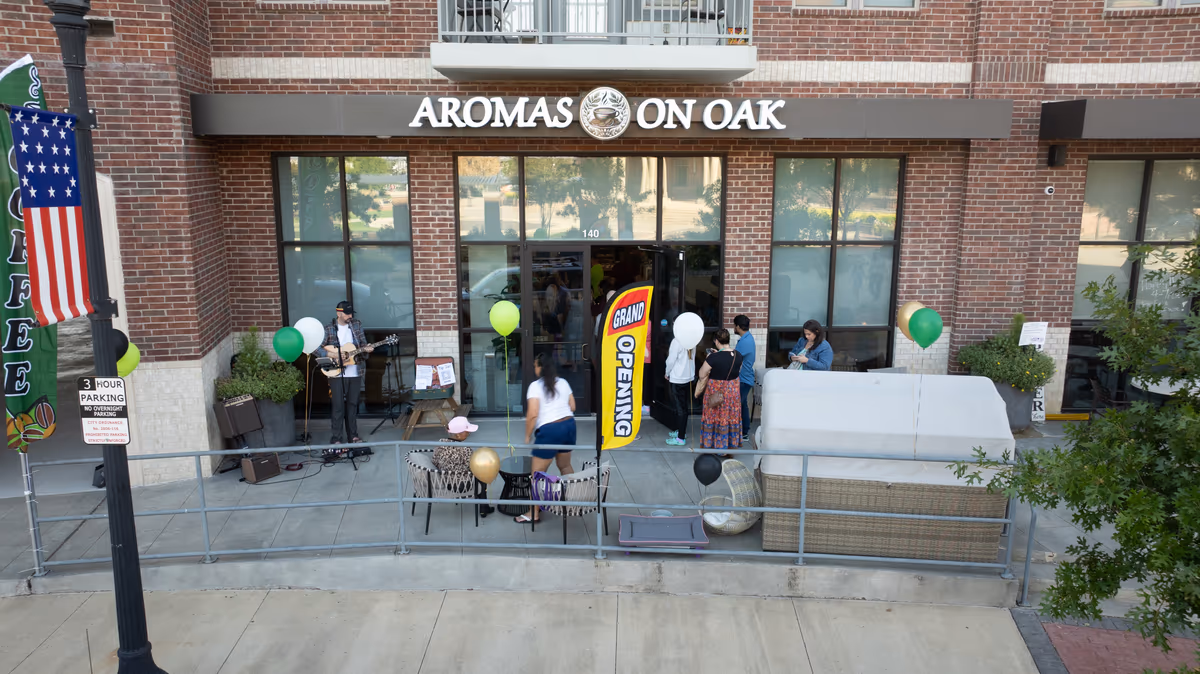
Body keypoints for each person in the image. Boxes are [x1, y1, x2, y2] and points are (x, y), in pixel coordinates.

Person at [516, 352, 576, 524]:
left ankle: (533, 513)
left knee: (537, 475)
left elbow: (532, 414)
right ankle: (573, 502)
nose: (534, 368)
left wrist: (527, 435)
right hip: (569, 426)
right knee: (565, 466)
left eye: (535, 365)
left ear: (541, 368)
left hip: (550, 431)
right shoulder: (563, 382)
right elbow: (572, 406)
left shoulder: (535, 386)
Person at [319, 301, 372, 445]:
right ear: (339, 313)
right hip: (336, 373)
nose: (350, 316)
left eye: (351, 314)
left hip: (355, 372)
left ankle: (353, 435)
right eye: (347, 314)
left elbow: (362, 344)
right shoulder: (329, 328)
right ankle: (336, 438)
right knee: (338, 406)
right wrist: (334, 355)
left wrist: (366, 348)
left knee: (353, 405)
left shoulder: (356, 325)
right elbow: (317, 348)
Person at [694, 329, 744, 457]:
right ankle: (728, 449)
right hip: (732, 398)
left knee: (713, 418)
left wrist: (710, 358)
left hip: (716, 396)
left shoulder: (713, 358)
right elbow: (736, 370)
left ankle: (711, 447)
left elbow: (702, 374)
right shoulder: (738, 355)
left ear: (716, 341)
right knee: (729, 419)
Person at [433, 416, 493, 517]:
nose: (469, 433)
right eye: (467, 431)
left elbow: (435, 461)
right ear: (458, 434)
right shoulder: (465, 450)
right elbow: (474, 469)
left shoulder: (440, 443)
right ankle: (484, 507)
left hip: (444, 480)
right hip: (461, 485)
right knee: (482, 476)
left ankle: (484, 506)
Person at [664, 331, 695, 446]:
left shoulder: (677, 341)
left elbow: (671, 360)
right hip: (689, 377)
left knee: (680, 409)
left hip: (678, 378)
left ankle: (680, 438)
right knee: (684, 407)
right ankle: (681, 432)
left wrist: (667, 372)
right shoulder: (692, 340)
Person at [733, 315, 755, 443]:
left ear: (738, 326)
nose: (734, 328)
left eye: (734, 325)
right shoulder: (747, 338)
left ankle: (741, 432)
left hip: (743, 379)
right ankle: (744, 432)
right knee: (742, 405)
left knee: (737, 406)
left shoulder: (745, 341)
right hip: (745, 378)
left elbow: (734, 358)